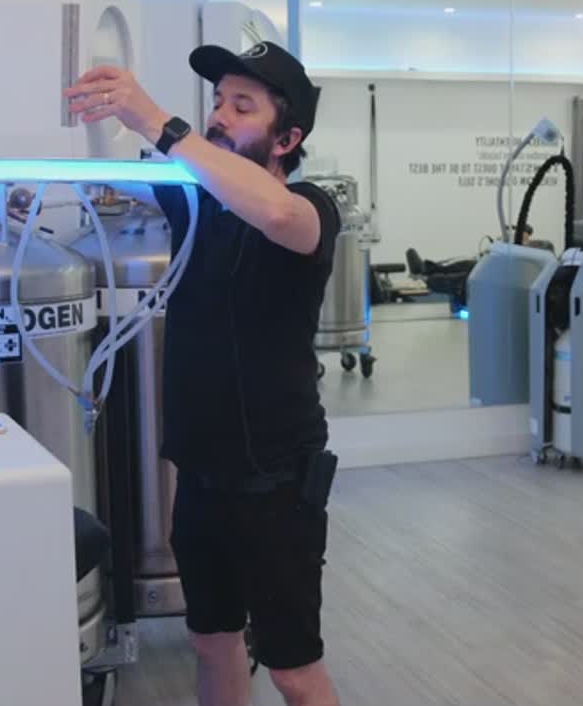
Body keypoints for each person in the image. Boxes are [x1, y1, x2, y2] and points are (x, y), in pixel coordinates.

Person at [65, 41, 343, 706]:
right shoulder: (197, 205)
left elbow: (277, 214)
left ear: (287, 139)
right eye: (218, 101)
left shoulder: (309, 206)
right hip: (201, 474)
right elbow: (108, 168)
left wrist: (157, 121)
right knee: (213, 643)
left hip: (276, 484)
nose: (219, 116)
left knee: (292, 670)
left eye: (243, 106)